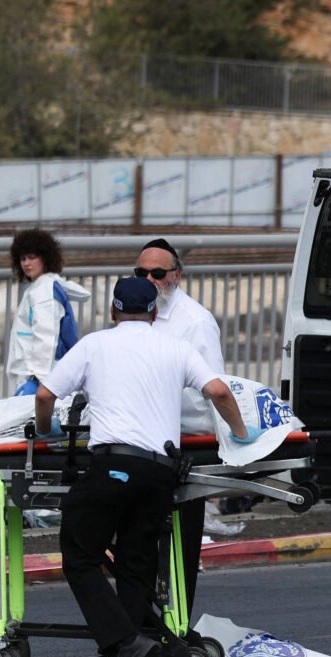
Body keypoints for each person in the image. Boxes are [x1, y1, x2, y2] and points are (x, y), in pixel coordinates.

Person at [35, 277, 260, 657]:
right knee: (135, 565)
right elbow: (219, 391)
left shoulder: (94, 345)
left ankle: (124, 641)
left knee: (80, 556)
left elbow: (46, 394)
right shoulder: (175, 347)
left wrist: (44, 432)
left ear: (112, 312)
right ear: (155, 314)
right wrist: (243, 436)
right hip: (159, 473)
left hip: (113, 466)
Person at [135, 238, 224, 619]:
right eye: (142, 273)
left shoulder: (194, 322)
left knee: (180, 544)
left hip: (184, 441)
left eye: (158, 273)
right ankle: (142, 622)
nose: (150, 280)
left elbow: (215, 389)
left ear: (176, 276)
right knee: (140, 539)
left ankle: (177, 623)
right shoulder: (135, 317)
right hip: (143, 440)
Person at [4, 228, 90, 395]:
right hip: (41, 378)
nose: (26, 263)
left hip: (37, 380)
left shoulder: (43, 291)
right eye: (22, 258)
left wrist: (38, 381)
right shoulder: (46, 286)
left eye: (32, 257)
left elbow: (46, 337)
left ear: (45, 257)